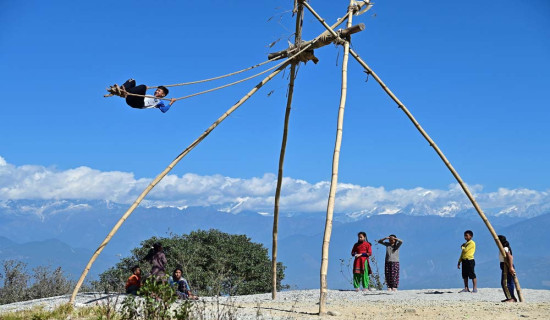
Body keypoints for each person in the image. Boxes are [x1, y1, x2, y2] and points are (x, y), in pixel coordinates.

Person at [112, 79, 176, 113]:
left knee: (143, 87)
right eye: (156, 90)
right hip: (130, 99)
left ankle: (125, 92)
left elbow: (164, 110)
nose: (156, 91)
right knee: (132, 80)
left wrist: (171, 102)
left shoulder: (159, 102)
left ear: (163, 95)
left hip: (138, 104)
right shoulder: (150, 96)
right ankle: (120, 91)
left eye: (159, 91)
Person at [498, 235, 517, 302]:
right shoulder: (502, 248)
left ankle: (511, 298)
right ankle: (509, 297)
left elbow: (510, 257)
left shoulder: (505, 248)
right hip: (503, 265)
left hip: (507, 265)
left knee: (507, 282)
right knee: (505, 282)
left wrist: (511, 267)